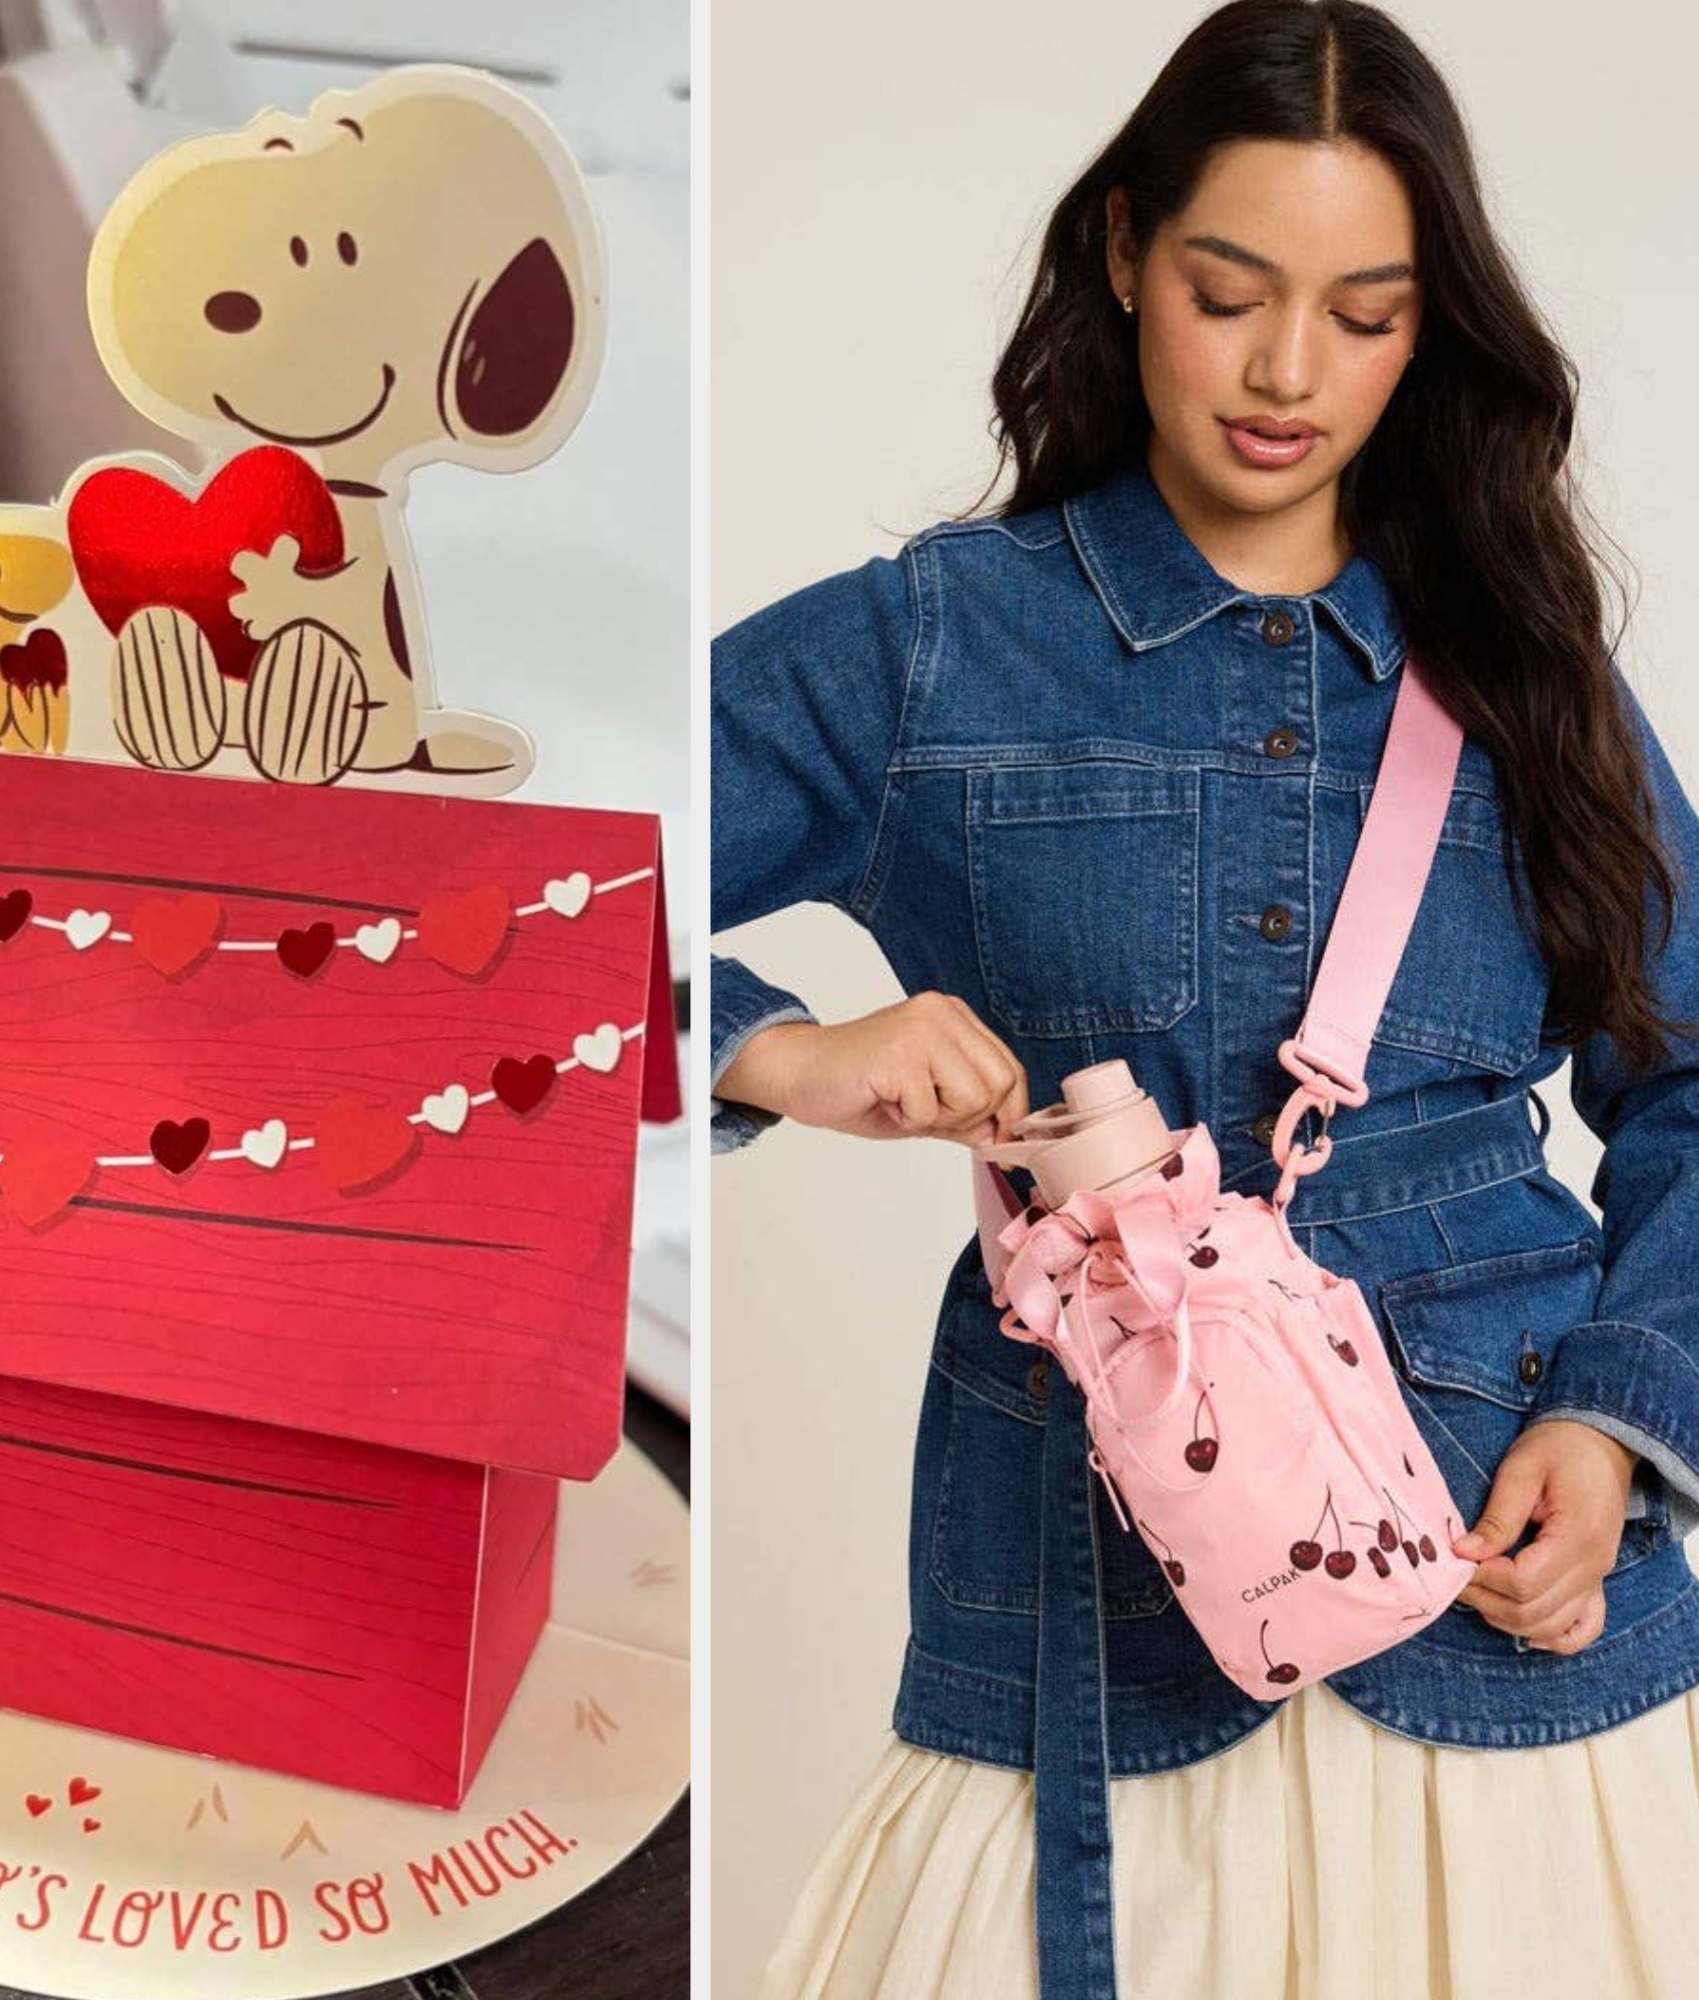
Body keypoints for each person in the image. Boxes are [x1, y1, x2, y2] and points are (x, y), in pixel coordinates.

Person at [710, 3, 1699, 1995]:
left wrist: (1619, 1422)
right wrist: (785, 1048)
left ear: (1432, 332)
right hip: (1083, 1604)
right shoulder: (925, 648)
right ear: (1123, 259)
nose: (1283, 373)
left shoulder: (1523, 671)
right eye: (1227, 291)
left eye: (1364, 313)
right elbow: (534, 904)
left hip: (1508, 1617)